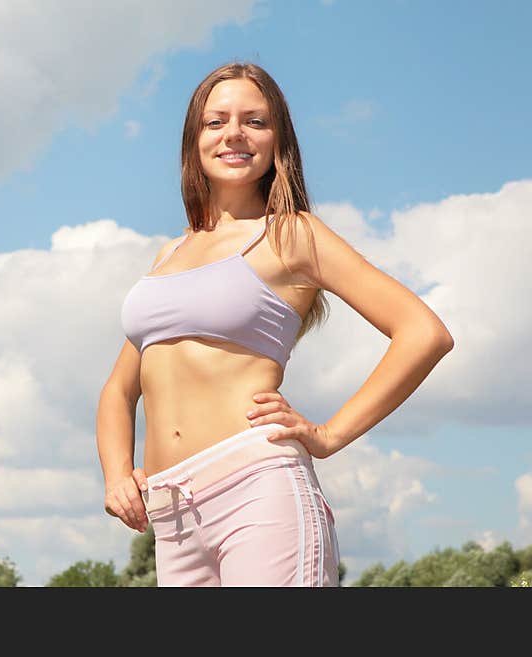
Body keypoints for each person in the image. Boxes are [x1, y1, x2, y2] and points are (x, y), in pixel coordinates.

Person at [95, 61, 454, 587]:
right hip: (172, 516)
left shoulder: (292, 234)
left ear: (277, 139)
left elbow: (424, 332)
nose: (233, 134)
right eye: (216, 121)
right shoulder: (169, 251)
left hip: (257, 490)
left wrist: (329, 435)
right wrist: (115, 474)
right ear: (194, 139)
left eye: (254, 121)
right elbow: (118, 389)